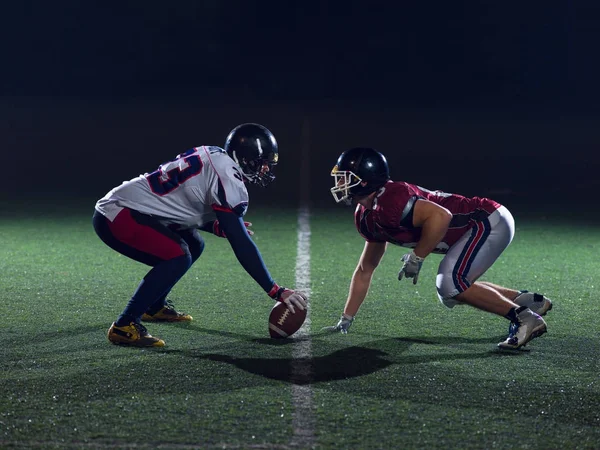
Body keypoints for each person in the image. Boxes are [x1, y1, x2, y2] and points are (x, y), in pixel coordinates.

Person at [93, 123, 307, 347]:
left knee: (194, 245)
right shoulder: (228, 176)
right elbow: (241, 242)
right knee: (177, 255)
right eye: (261, 164)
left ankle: (153, 306)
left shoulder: (216, 154)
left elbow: (183, 202)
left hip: (134, 209)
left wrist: (214, 226)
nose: (265, 170)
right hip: (118, 215)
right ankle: (124, 325)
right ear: (243, 158)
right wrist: (275, 289)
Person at [326, 147, 552, 350]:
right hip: (478, 225)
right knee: (451, 292)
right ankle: (525, 301)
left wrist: (417, 257)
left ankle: (524, 318)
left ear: (365, 180)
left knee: (451, 285)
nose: (339, 183)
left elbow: (441, 216)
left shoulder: (391, 200)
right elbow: (365, 270)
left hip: (486, 220)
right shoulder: (366, 217)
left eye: (345, 178)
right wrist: (347, 316)